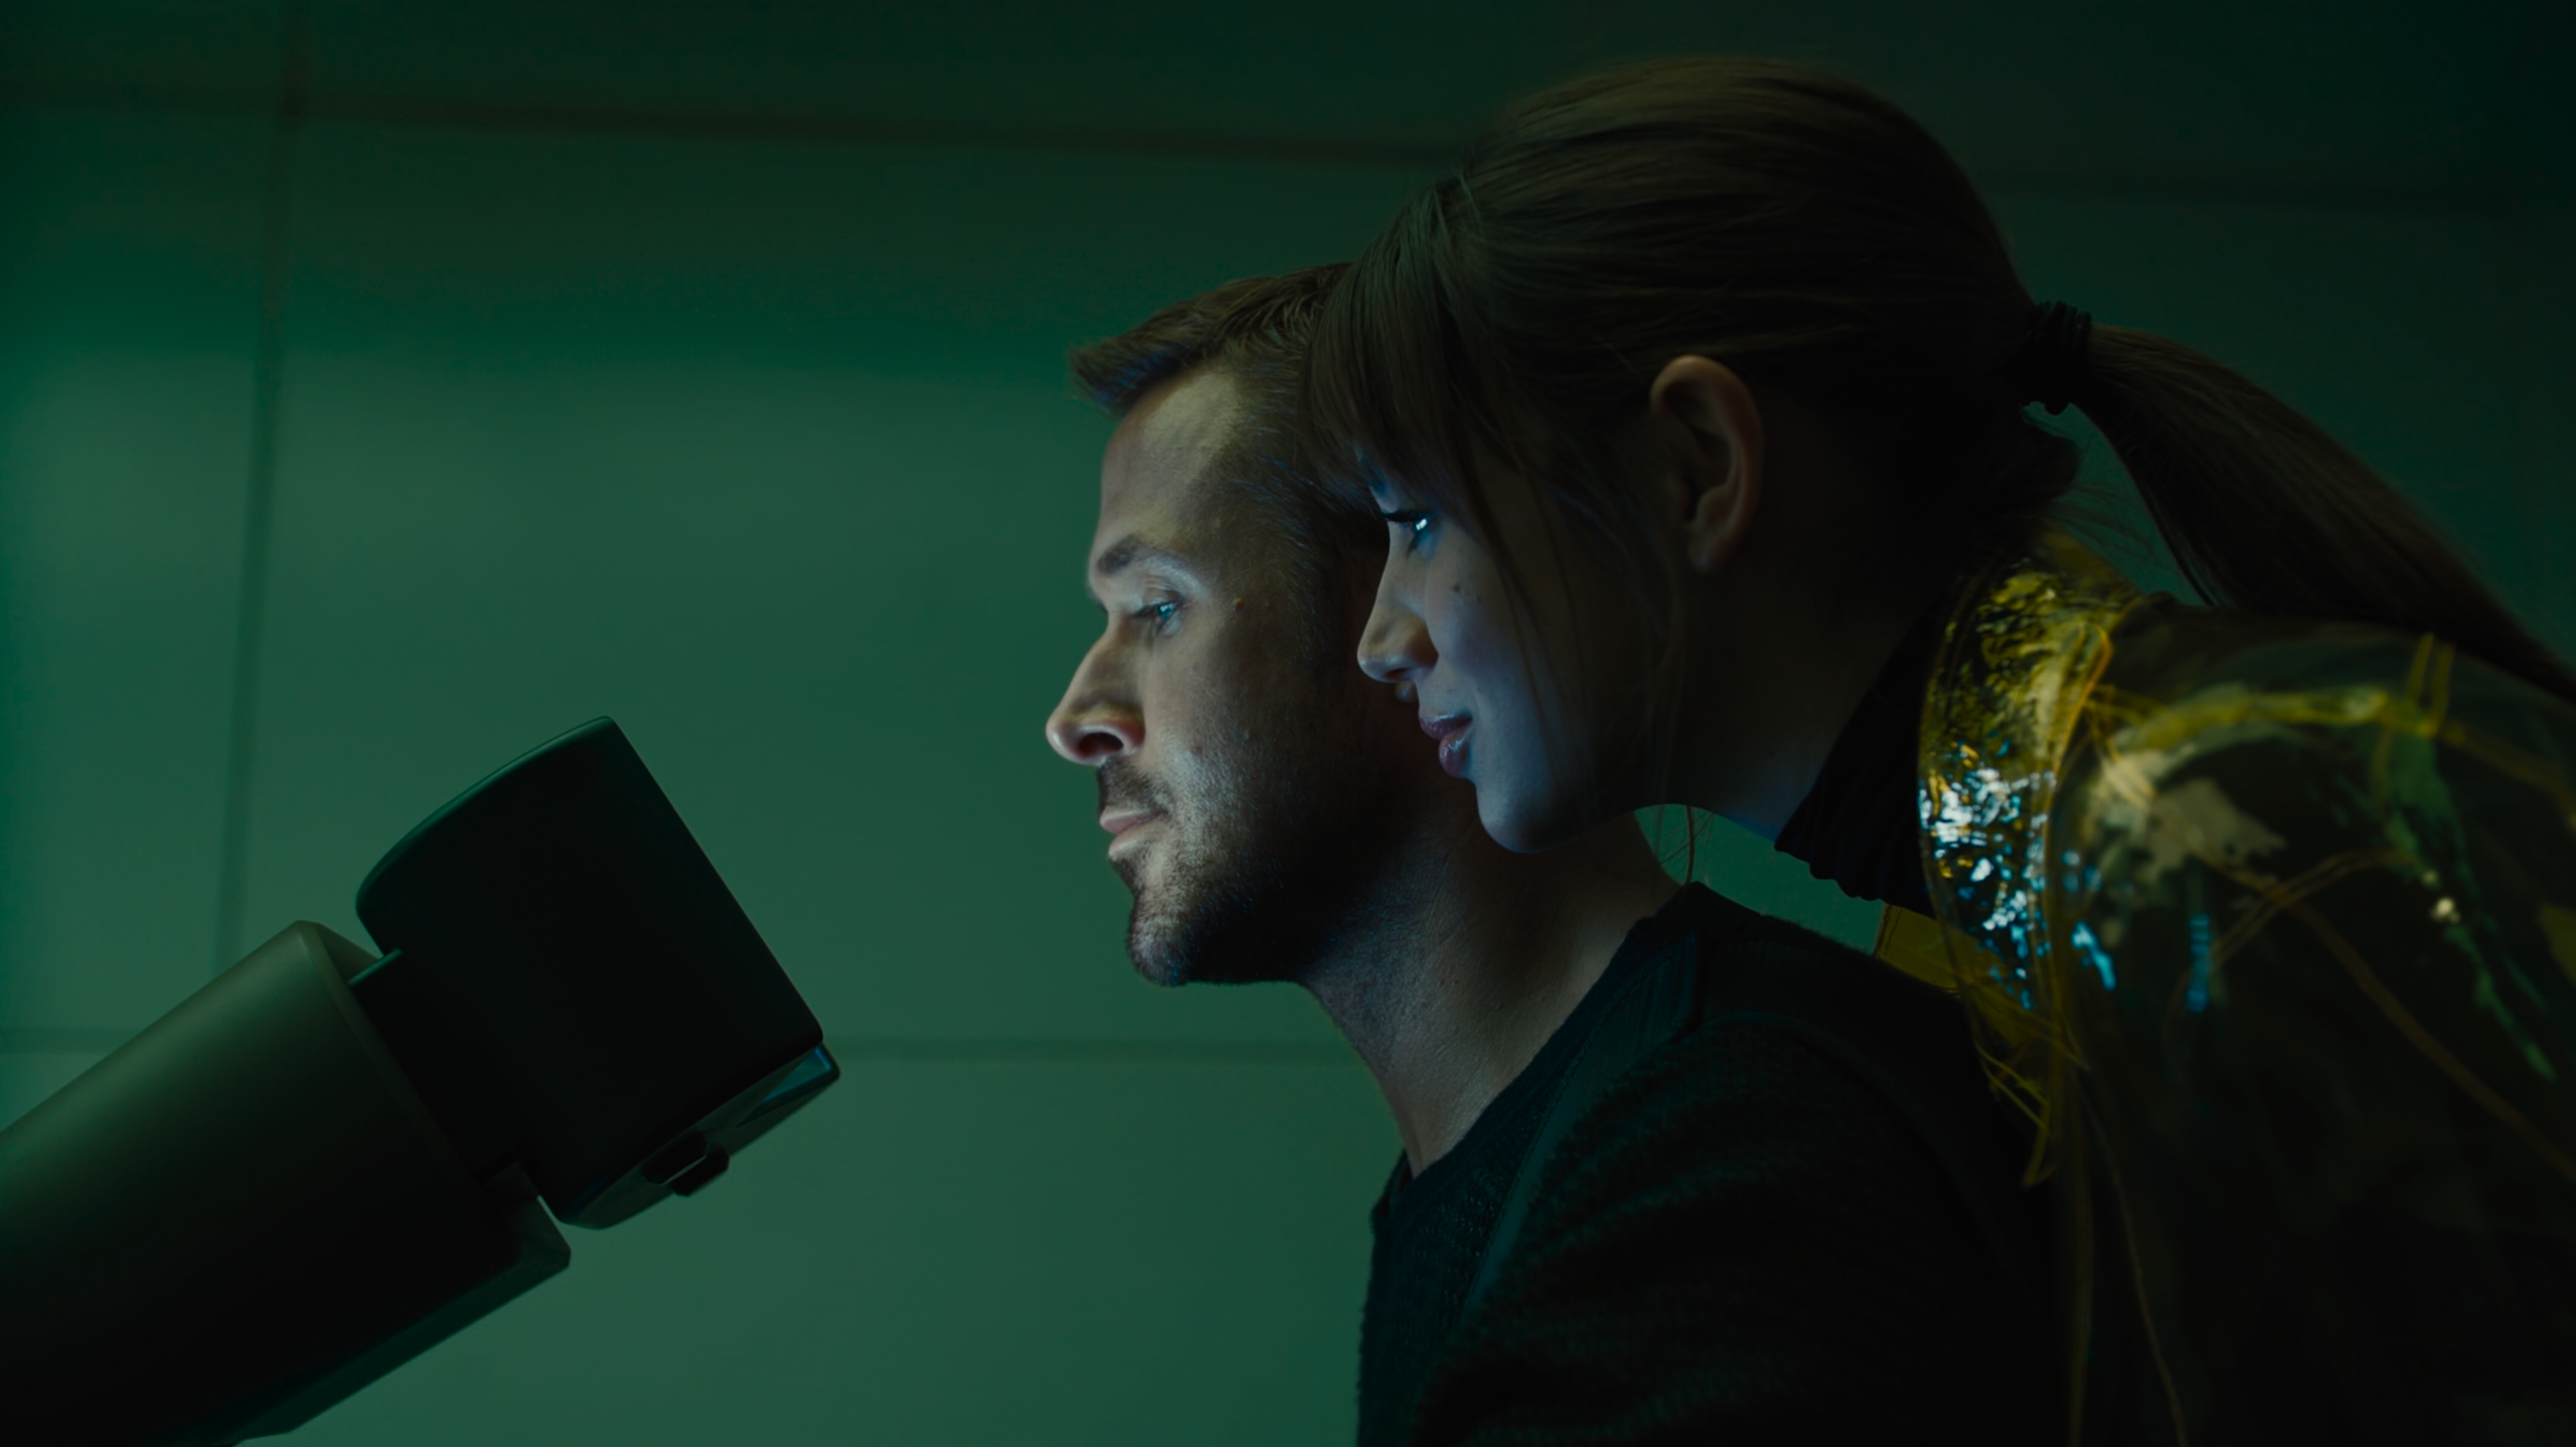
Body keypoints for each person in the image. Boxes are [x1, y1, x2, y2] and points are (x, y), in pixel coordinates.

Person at [1302, 56, 2576, 1442]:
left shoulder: (2216, 831)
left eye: (1418, 519)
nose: (1380, 635)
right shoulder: (2004, 894)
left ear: (1695, 467)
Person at [1046, 268, 2057, 1444]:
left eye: (1157, 606)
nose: (1074, 717)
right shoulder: (1527, 1162)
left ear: (1403, 604)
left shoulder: (1732, 1159)